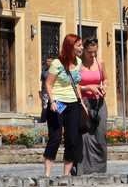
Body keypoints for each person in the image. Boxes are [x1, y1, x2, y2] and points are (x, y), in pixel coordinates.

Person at [43, 34, 85, 177]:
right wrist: (52, 101)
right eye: (79, 45)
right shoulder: (57, 63)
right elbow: (48, 84)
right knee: (55, 137)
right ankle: (47, 174)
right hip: (58, 103)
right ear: (70, 46)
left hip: (73, 103)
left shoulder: (79, 62)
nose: (82, 48)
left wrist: (81, 101)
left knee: (71, 139)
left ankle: (66, 176)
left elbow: (77, 83)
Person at [77, 37, 108, 175]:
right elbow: (75, 84)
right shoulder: (78, 64)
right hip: (84, 102)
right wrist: (87, 87)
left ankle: (100, 169)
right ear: (84, 50)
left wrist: (104, 86)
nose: (93, 55)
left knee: (101, 134)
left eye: (95, 52)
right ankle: (83, 170)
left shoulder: (99, 61)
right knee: (85, 136)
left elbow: (105, 78)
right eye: (90, 52)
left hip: (99, 102)